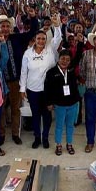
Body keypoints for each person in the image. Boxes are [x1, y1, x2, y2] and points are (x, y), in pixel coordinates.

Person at [0, 15, 32, 145]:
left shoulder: (16, 38)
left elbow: (32, 33)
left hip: (15, 81)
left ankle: (15, 134)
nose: (5, 29)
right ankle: (1, 134)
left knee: (15, 108)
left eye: (7, 26)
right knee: (0, 109)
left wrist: (33, 17)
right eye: (2, 26)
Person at [20, 14, 63, 148]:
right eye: (38, 38)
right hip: (33, 90)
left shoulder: (51, 49)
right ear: (35, 40)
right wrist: (22, 89)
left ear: (46, 39)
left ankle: (45, 138)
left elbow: (58, 38)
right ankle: (37, 138)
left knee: (47, 116)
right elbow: (24, 72)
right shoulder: (28, 53)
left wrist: (57, 26)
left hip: (48, 91)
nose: (41, 41)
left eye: (43, 38)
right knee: (36, 115)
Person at [44, 49, 80, 156]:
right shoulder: (51, 72)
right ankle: (58, 145)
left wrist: (80, 42)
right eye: (63, 59)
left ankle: (69, 144)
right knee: (59, 126)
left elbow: (78, 56)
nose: (65, 61)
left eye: (68, 60)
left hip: (72, 104)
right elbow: (47, 89)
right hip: (59, 105)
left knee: (70, 125)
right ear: (58, 59)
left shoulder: (72, 70)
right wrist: (49, 103)